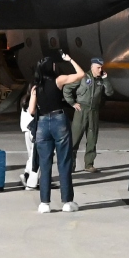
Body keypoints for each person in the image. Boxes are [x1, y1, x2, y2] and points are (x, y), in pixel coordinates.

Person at [27, 49, 85, 213]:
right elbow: (80, 74)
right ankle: (67, 202)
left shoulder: (36, 87)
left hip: (42, 124)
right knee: (64, 162)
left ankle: (44, 203)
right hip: (59, 121)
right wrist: (70, 59)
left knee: (45, 165)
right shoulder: (58, 81)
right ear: (50, 67)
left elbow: (31, 111)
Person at [69, 58, 114, 172]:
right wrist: (72, 103)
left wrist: (105, 79)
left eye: (101, 67)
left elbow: (109, 92)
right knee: (75, 139)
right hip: (81, 110)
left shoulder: (101, 80)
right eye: (98, 67)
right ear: (92, 67)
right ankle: (70, 165)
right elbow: (67, 89)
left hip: (94, 111)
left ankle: (89, 164)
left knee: (92, 139)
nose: (100, 70)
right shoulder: (83, 77)